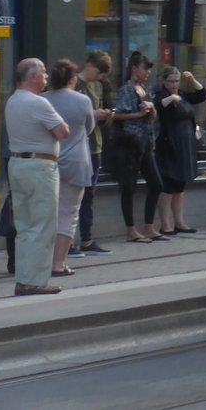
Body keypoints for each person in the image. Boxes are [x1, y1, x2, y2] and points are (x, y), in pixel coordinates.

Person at [4, 58, 69, 296]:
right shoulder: (39, 103)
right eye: (43, 73)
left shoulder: (12, 101)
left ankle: (23, 279)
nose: (47, 78)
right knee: (43, 225)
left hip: (18, 164)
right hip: (41, 166)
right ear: (32, 76)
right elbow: (63, 131)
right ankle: (35, 282)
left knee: (25, 226)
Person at [44, 59, 96, 277]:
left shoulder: (43, 100)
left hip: (48, 161)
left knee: (47, 215)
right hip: (76, 162)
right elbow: (90, 127)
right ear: (73, 79)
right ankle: (59, 263)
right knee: (69, 214)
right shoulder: (83, 101)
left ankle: (43, 261)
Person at [113, 51, 166, 243]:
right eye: (145, 69)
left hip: (144, 142)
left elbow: (152, 117)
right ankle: (131, 230)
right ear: (135, 69)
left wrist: (151, 111)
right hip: (130, 142)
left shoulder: (144, 89)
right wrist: (137, 114)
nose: (148, 73)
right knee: (128, 187)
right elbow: (116, 115)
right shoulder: (126, 89)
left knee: (157, 184)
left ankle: (149, 226)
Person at [152, 66, 206, 235]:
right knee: (168, 184)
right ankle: (165, 224)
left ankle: (180, 221)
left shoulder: (182, 94)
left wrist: (192, 81)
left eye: (177, 81)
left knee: (180, 185)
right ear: (164, 81)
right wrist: (171, 98)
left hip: (186, 143)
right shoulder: (161, 94)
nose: (174, 84)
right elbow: (157, 106)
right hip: (170, 144)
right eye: (171, 81)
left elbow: (202, 95)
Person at [70, 50, 114, 257]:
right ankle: (69, 243)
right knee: (73, 197)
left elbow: (94, 114)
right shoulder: (75, 86)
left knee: (88, 196)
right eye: (99, 72)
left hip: (95, 146)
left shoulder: (95, 86)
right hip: (80, 148)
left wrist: (104, 116)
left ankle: (86, 240)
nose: (100, 78)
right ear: (89, 66)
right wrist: (94, 115)